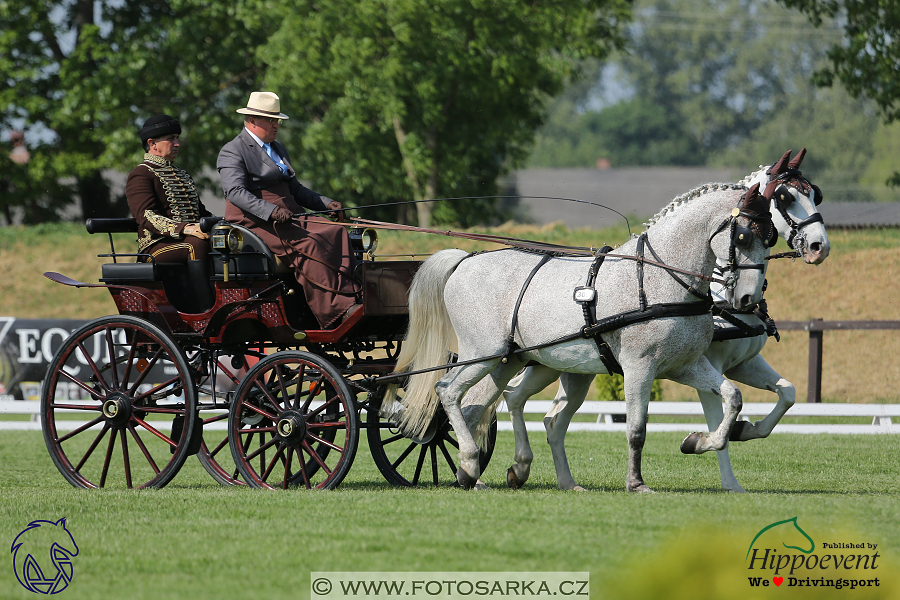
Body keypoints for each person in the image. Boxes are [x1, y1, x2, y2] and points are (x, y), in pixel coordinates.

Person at [216, 91, 359, 329]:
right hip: (254, 220)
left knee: (337, 232)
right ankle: (334, 311)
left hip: (288, 214)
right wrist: (269, 211)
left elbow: (295, 189)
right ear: (252, 120)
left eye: (277, 120)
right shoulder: (234, 150)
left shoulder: (277, 148)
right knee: (311, 242)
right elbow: (236, 193)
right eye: (271, 120)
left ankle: (351, 297)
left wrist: (325, 204)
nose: (276, 125)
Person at [126, 114, 212, 263]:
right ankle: (204, 288)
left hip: (190, 239)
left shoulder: (183, 174)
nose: (177, 143)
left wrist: (222, 224)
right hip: (157, 245)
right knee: (196, 245)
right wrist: (186, 228)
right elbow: (146, 216)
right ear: (152, 143)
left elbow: (200, 212)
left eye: (177, 138)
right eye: (171, 138)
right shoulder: (141, 173)